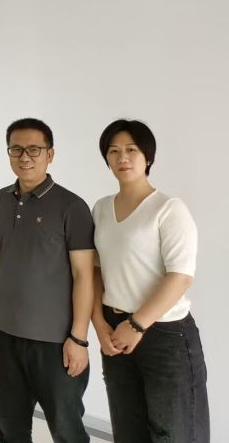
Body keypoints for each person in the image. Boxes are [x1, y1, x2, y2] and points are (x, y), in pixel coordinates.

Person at [91, 119, 209, 442]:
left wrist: (137, 325)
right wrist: (99, 324)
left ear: (148, 156)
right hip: (115, 331)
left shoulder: (168, 209)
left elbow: (180, 276)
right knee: (128, 431)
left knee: (175, 434)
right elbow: (96, 270)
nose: (122, 158)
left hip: (165, 335)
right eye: (113, 151)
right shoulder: (100, 209)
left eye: (131, 149)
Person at [0, 118, 95, 443]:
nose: (25, 157)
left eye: (34, 149)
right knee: (9, 429)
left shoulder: (72, 206)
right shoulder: (0, 200)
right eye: (16, 149)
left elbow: (84, 275)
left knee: (67, 431)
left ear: (50, 154)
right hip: (4, 334)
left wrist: (79, 338)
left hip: (54, 342)